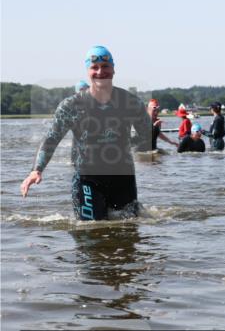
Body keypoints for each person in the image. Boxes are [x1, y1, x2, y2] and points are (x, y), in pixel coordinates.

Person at [20, 46, 152, 220]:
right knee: (91, 235)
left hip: (123, 177)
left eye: (105, 66)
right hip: (87, 178)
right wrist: (36, 170)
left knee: (128, 236)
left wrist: (127, 143)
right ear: (87, 71)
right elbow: (52, 138)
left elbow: (146, 134)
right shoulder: (71, 105)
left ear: (113, 69)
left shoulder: (131, 102)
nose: (100, 71)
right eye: (94, 67)